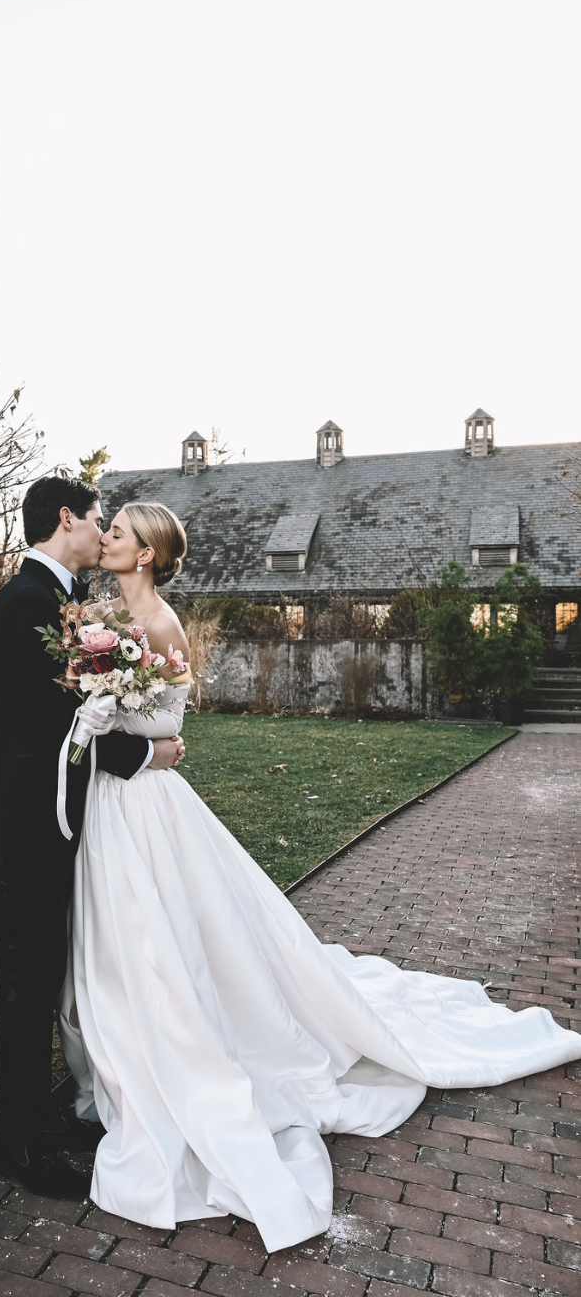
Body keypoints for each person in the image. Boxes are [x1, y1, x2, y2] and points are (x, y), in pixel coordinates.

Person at [58, 500, 581, 1254]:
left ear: (146, 555)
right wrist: (96, 697)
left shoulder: (162, 626)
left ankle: (179, 1042)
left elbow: (173, 720)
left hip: (147, 803)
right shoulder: (98, 614)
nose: (106, 541)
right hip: (114, 803)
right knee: (124, 929)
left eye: (120, 535)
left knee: (162, 931)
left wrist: (121, 716)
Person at [0, 477, 185, 1199]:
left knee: (44, 977)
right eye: (99, 520)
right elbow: (46, 727)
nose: (103, 532)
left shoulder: (53, 601)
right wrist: (144, 755)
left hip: (47, 820)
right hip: (22, 824)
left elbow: (62, 713)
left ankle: (33, 1121)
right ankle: (19, 1149)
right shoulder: (26, 603)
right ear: (67, 519)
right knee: (28, 986)